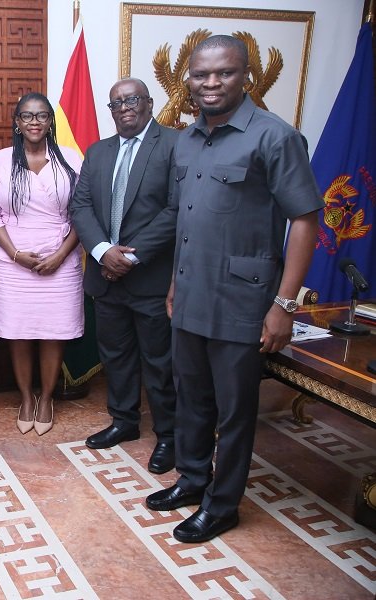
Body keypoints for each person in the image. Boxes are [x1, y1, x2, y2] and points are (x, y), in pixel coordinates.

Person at [145, 35, 322, 543]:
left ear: (245, 74)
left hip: (245, 302)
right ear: (189, 80)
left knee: (235, 410)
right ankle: (194, 480)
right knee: (191, 398)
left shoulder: (275, 137)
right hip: (191, 296)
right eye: (200, 75)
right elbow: (185, 218)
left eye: (223, 73)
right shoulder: (186, 138)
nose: (211, 83)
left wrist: (284, 305)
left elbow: (307, 220)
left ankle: (223, 506)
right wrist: (177, 284)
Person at [69, 78, 179, 473]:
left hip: (149, 278)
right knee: (115, 356)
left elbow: (176, 210)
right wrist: (102, 251)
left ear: (149, 103)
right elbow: (80, 206)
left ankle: (169, 435)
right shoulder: (98, 152)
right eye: (116, 102)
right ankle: (124, 422)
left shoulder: (173, 145)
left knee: (159, 362)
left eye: (131, 99)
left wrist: (132, 257)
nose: (124, 107)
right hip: (106, 277)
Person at [0, 92, 84, 436]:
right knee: (19, 335)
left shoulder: (72, 159)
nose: (35, 121)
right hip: (13, 264)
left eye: (42, 115)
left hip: (61, 261)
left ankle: (46, 397)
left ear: (50, 121)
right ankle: (26, 397)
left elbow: (82, 214)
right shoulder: (0, 161)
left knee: (54, 335)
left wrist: (60, 256)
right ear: (17, 122)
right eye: (27, 115)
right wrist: (15, 254)